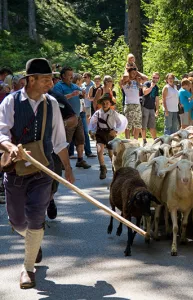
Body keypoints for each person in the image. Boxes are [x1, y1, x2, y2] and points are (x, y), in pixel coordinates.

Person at [0, 58, 74, 289]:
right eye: (45, 79)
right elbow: (1, 131)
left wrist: (68, 168)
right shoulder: (10, 102)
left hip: (43, 169)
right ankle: (34, 241)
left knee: (36, 217)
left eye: (51, 78)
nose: (50, 83)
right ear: (30, 80)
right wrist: (9, 146)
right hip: (15, 170)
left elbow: (60, 139)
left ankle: (28, 268)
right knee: (17, 220)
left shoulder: (51, 103)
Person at [46, 86, 78, 220]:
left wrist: (59, 125)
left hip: (54, 146)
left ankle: (50, 199)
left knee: (53, 177)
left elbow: (73, 119)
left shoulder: (56, 98)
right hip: (30, 149)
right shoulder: (16, 100)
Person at [53, 66, 91, 169]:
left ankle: (80, 160)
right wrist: (70, 95)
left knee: (81, 139)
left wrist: (82, 94)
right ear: (63, 76)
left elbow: (82, 96)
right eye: (69, 75)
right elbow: (56, 100)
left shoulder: (74, 86)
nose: (71, 77)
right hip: (67, 118)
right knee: (65, 141)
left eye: (72, 75)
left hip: (77, 116)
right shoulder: (58, 87)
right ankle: (61, 162)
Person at [89, 93, 127, 179]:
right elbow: (92, 123)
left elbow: (120, 123)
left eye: (107, 103)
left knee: (111, 154)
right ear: (101, 103)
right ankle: (103, 168)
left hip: (110, 135)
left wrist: (116, 131)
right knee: (99, 150)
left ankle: (115, 169)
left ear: (110, 104)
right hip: (100, 134)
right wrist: (92, 131)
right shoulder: (97, 113)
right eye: (103, 103)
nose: (105, 105)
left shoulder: (113, 113)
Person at [120, 67, 146, 139]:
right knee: (128, 125)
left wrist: (137, 72)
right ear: (129, 73)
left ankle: (135, 141)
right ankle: (128, 141)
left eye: (135, 73)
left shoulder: (137, 81)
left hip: (137, 105)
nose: (134, 74)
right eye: (132, 73)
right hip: (129, 105)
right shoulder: (125, 81)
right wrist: (127, 69)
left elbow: (145, 78)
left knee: (137, 125)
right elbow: (125, 77)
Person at [141, 72, 160, 144]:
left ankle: (155, 140)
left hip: (152, 108)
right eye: (154, 77)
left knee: (152, 125)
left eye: (156, 78)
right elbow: (144, 92)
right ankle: (144, 140)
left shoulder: (157, 87)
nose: (155, 79)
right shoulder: (147, 83)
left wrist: (157, 109)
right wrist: (151, 87)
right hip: (145, 107)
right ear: (152, 77)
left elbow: (157, 99)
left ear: (158, 79)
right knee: (144, 125)